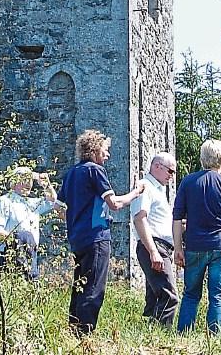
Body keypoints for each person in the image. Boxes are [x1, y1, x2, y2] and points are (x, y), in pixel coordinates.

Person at [59, 129, 145, 336]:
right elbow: (114, 203)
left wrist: (76, 219)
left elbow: (60, 208)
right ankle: (85, 335)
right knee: (94, 288)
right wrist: (136, 192)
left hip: (77, 238)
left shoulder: (71, 173)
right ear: (95, 149)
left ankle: (73, 331)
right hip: (96, 236)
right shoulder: (95, 170)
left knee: (79, 285)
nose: (107, 155)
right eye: (105, 150)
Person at [172, 139, 221, 334]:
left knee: (191, 295)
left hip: (195, 246)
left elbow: (177, 217)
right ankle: (215, 338)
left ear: (202, 158)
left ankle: (183, 335)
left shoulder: (188, 182)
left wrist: (178, 248)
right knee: (218, 296)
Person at [131, 152, 179, 327]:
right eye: (170, 171)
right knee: (169, 296)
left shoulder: (157, 189)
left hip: (161, 246)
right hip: (154, 246)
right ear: (157, 166)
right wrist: (153, 252)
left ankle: (148, 334)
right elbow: (139, 219)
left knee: (154, 297)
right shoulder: (145, 187)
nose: (171, 177)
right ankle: (161, 335)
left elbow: (158, 221)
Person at [0, 166, 61, 280]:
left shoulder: (32, 203)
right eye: (24, 180)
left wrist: (46, 184)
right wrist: (18, 241)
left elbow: (52, 201)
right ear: (14, 182)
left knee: (31, 290)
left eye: (30, 180)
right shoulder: (4, 201)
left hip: (31, 255)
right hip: (10, 255)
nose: (28, 183)